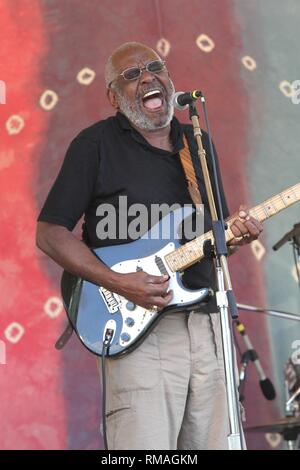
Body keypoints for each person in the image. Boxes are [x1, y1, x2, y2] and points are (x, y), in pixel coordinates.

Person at [36, 41, 263, 450]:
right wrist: (119, 282)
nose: (146, 77)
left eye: (154, 67)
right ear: (113, 95)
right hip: (142, 332)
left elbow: (214, 239)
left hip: (207, 325)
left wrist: (238, 235)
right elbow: (50, 231)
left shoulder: (197, 143)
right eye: (131, 74)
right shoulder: (95, 145)